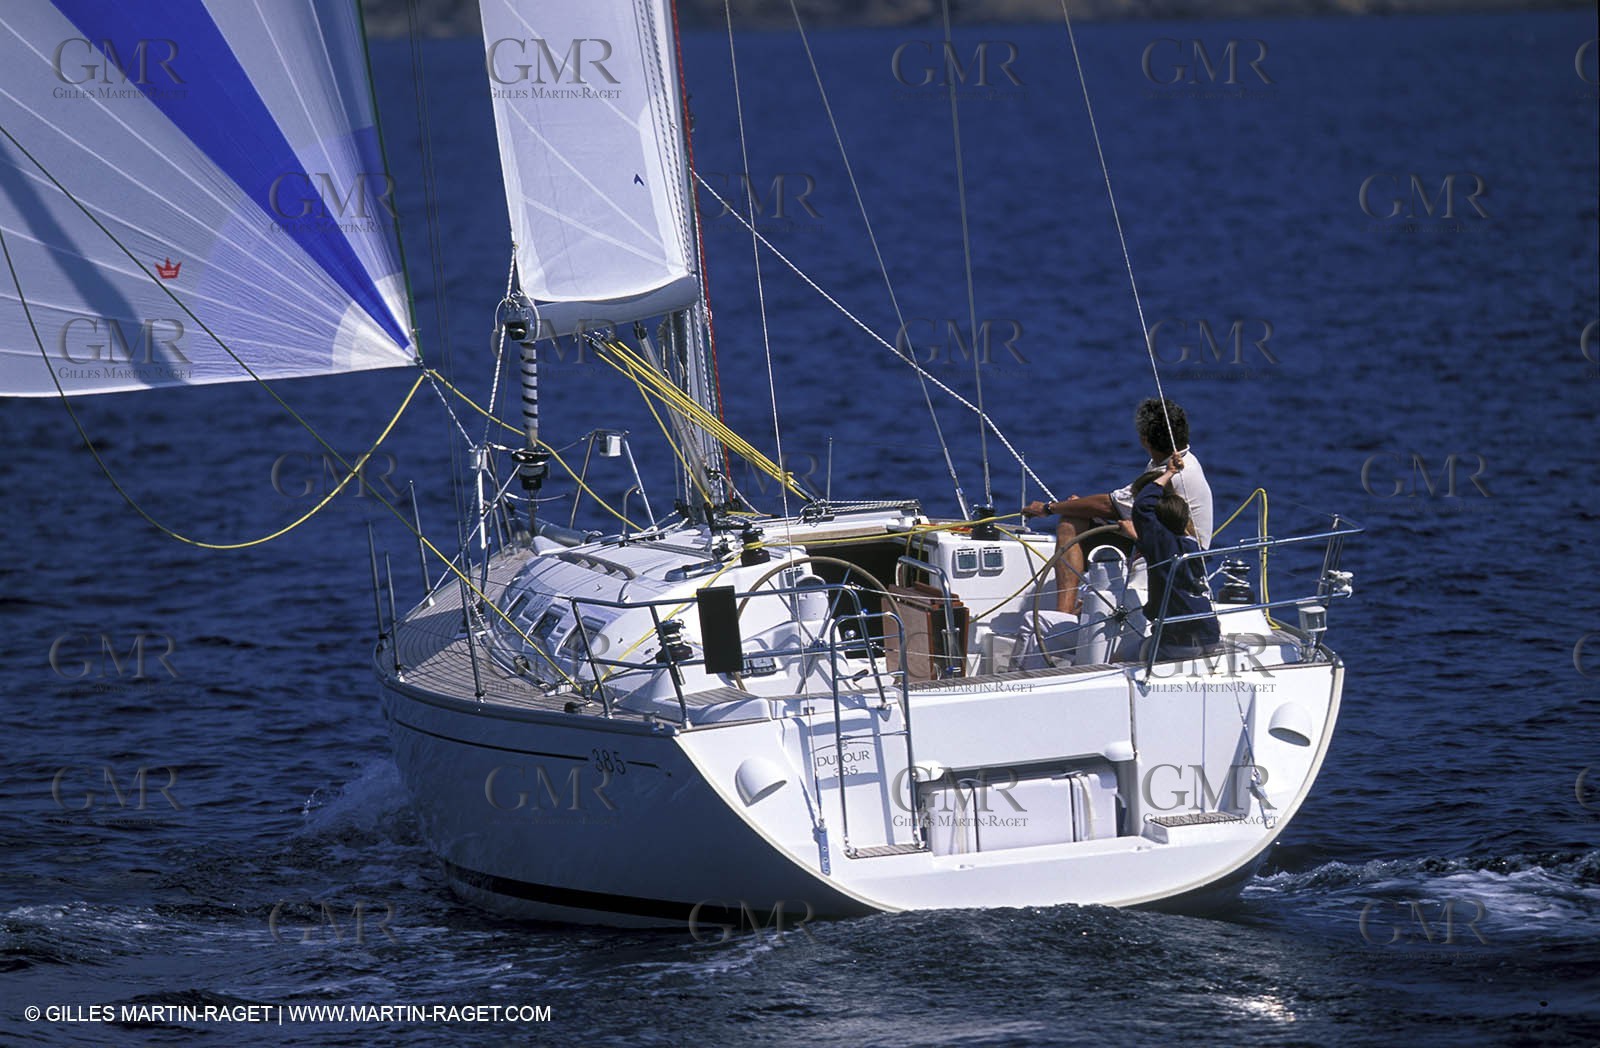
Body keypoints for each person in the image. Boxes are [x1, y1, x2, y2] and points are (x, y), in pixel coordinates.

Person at [1022, 397, 1214, 615]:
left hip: (1169, 555)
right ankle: (1072, 610)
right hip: (1165, 543)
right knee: (1079, 513)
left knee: (1071, 523)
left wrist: (1050, 508)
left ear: (1144, 440)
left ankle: (1062, 617)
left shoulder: (1169, 473)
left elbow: (1109, 504)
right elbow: (1126, 505)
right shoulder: (1181, 461)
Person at [1131, 455, 1220, 658]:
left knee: (1118, 658)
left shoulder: (1161, 544)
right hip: (1210, 638)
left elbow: (1142, 507)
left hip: (1179, 643)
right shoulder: (1192, 547)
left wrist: (1168, 472)